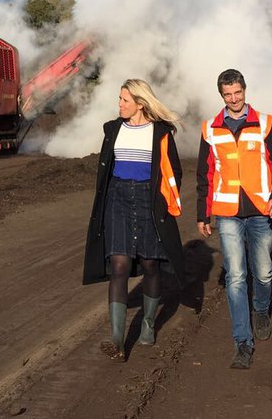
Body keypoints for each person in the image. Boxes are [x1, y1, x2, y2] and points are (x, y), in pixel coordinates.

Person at [83, 79, 185, 361]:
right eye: (119, 99)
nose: (120, 104)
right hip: (118, 200)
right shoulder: (113, 129)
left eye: (124, 100)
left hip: (149, 201)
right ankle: (117, 341)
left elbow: (174, 172)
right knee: (119, 264)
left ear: (140, 103)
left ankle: (149, 324)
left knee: (151, 264)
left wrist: (164, 204)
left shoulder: (161, 133)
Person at [196, 68, 272, 370]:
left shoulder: (264, 123)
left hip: (261, 211)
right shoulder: (210, 128)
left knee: (262, 274)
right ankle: (242, 342)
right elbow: (205, 174)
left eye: (238, 92)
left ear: (245, 90)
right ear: (221, 95)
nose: (234, 99)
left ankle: (261, 308)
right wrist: (203, 212)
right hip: (227, 215)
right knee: (236, 277)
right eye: (228, 95)